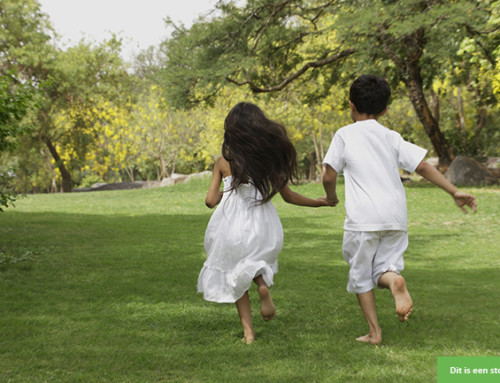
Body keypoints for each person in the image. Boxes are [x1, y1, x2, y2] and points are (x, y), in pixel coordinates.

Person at [322, 74, 477, 345]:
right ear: (385, 110)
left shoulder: (344, 134)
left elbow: (328, 174)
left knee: (360, 274)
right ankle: (394, 281)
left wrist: (330, 196)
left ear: (351, 105)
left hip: (363, 219)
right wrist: (454, 191)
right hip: (395, 217)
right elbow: (423, 166)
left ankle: (374, 333)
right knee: (383, 268)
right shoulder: (392, 137)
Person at [198, 102, 332, 344]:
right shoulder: (266, 160)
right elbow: (289, 196)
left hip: (231, 224)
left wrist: (225, 194)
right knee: (256, 261)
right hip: (262, 222)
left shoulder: (223, 162)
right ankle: (262, 284)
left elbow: (209, 201)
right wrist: (318, 202)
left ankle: (249, 334)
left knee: (235, 273)